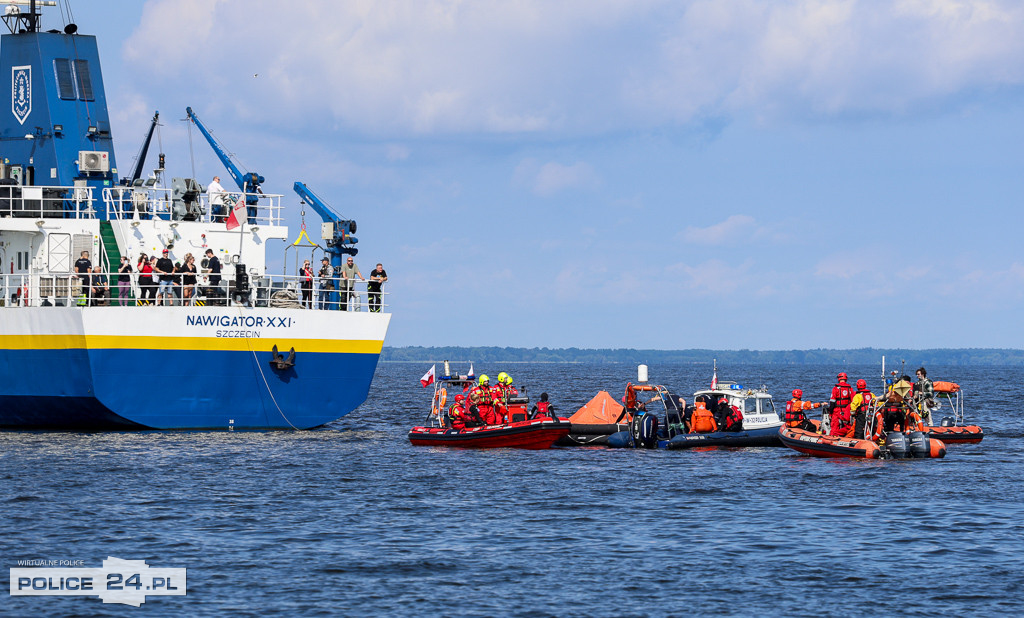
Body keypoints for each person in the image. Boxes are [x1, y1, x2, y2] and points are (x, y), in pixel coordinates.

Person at [828, 372, 854, 437]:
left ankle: (832, 438)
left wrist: (830, 413)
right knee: (847, 426)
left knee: (834, 426)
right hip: (847, 411)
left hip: (837, 410)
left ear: (839, 379)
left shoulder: (835, 388)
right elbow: (852, 401)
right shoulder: (850, 388)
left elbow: (832, 402)